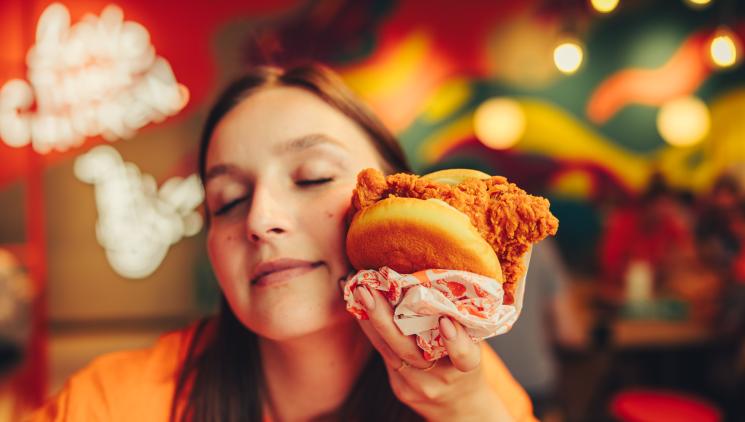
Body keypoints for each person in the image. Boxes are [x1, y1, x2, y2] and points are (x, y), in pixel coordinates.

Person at [28, 64, 535, 421]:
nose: (259, 219)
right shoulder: (109, 403)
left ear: (399, 197)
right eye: (226, 201)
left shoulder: (467, 384)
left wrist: (467, 412)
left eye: (313, 177)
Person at [487, 238, 586, 420]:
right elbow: (570, 333)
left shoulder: (464, 236)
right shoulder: (539, 245)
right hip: (533, 381)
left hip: (478, 383)